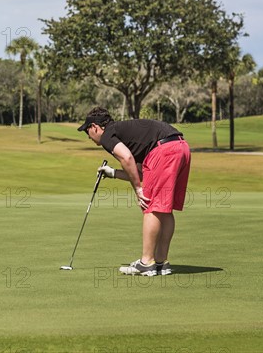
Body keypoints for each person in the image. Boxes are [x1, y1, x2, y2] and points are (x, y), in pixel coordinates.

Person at [78, 107, 191, 276]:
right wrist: (113, 173)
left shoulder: (108, 135)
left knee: (151, 207)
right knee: (164, 208)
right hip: (181, 147)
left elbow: (126, 158)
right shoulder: (129, 133)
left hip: (163, 151)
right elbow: (140, 173)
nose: (88, 136)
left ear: (95, 127)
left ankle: (146, 262)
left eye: (88, 131)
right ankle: (161, 263)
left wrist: (138, 189)